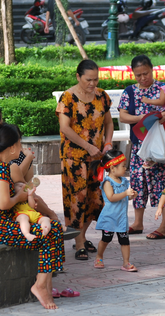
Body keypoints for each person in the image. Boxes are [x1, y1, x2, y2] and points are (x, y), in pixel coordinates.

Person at [0, 123, 64, 310]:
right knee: (50, 233)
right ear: (12, 147)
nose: (21, 148)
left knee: (52, 230)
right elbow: (3, 204)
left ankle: (44, 284)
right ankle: (41, 286)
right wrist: (20, 197)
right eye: (20, 144)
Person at [118, 55, 165, 240]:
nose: (143, 78)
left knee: (163, 183)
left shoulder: (164, 88)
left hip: (162, 145)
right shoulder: (130, 92)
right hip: (139, 146)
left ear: (153, 70)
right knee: (138, 182)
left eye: (146, 73)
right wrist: (145, 119)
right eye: (138, 75)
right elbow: (123, 117)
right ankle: (138, 222)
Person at [56, 59, 113, 261]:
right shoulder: (68, 98)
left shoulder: (102, 96)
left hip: (96, 157)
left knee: (94, 200)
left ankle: (82, 235)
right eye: (88, 79)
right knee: (76, 200)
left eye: (96, 79)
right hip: (74, 157)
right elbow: (64, 128)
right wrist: (88, 146)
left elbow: (108, 122)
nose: (92, 83)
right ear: (78, 77)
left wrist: (107, 143)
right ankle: (79, 243)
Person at [91, 150, 138, 272]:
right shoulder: (108, 182)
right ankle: (99, 256)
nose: (125, 168)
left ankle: (126, 262)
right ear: (112, 168)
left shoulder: (123, 181)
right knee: (106, 238)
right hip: (110, 218)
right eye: (123, 166)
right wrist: (125, 193)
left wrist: (131, 195)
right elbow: (111, 198)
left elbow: (124, 197)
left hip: (121, 218)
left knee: (125, 240)